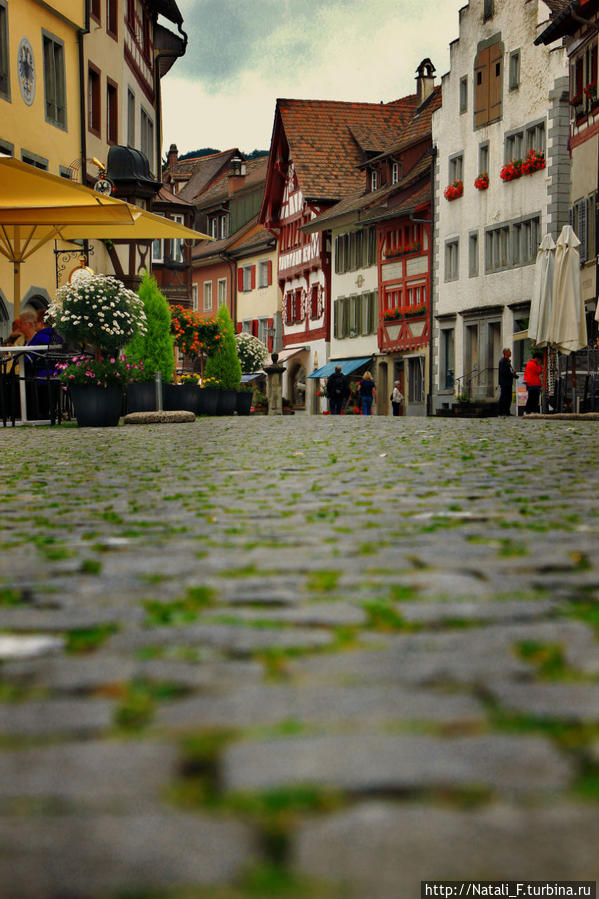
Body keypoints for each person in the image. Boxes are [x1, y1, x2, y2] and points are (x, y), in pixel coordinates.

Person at [497, 347, 518, 416]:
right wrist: (512, 374)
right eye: (509, 351)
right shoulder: (502, 361)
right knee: (504, 397)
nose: (511, 353)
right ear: (506, 353)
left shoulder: (507, 361)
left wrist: (514, 375)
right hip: (504, 382)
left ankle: (507, 411)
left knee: (508, 397)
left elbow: (510, 370)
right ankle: (501, 411)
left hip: (508, 382)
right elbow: (503, 372)